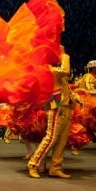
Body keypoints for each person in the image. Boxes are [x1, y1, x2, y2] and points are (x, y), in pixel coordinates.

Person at [27, 46, 74, 179]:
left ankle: (55, 167)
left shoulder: (55, 70)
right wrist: (65, 55)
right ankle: (33, 164)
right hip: (56, 108)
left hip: (65, 108)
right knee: (51, 138)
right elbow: (65, 70)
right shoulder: (49, 69)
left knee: (61, 141)